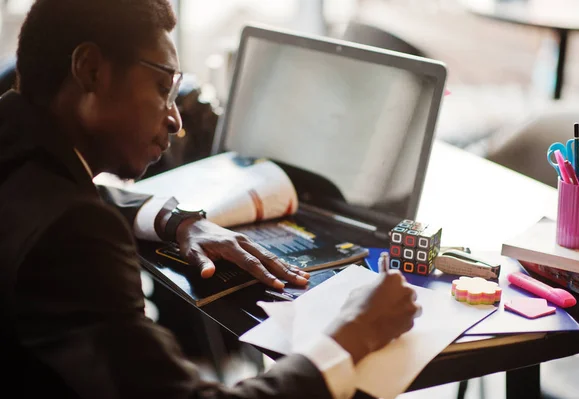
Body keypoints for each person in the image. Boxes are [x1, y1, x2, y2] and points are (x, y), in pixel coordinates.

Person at [0, 1, 422, 398]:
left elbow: (59, 193)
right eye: (163, 86)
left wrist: (176, 220)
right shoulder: (73, 235)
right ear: (91, 70)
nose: (174, 117)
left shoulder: (16, 142)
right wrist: (348, 338)